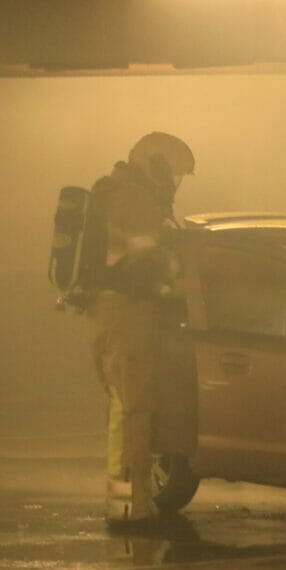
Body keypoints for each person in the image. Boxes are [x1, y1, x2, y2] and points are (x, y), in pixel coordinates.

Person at [88, 132, 195, 531]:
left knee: (124, 405)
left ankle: (127, 502)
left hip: (116, 312)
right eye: (174, 173)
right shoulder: (134, 200)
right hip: (128, 314)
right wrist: (180, 280)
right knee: (134, 408)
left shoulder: (119, 194)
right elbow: (148, 261)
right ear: (157, 165)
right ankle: (131, 506)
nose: (175, 183)